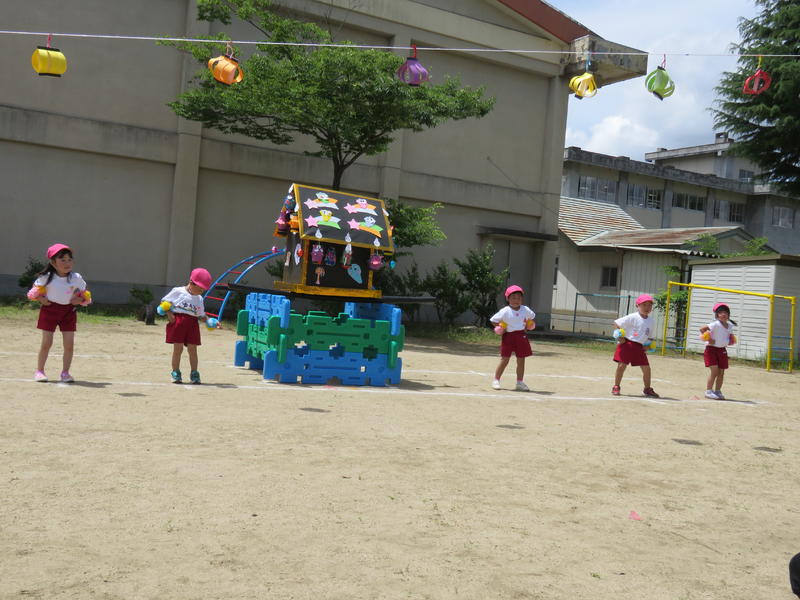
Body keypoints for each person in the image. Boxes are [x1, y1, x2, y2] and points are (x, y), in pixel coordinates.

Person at [29, 243, 91, 383]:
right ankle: (40, 371)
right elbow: (34, 290)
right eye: (62, 260)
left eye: (69, 259)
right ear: (53, 262)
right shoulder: (46, 277)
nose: (67, 263)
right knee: (47, 343)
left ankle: (65, 373)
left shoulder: (76, 277)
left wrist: (80, 299)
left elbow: (85, 292)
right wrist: (40, 299)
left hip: (68, 312)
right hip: (49, 310)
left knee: (69, 345)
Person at [160, 268, 214, 384]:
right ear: (191, 283)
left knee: (193, 349)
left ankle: (194, 373)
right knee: (178, 349)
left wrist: (210, 321)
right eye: (199, 289)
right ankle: (175, 372)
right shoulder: (178, 291)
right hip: (178, 322)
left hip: (193, 324)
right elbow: (164, 303)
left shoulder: (199, 299)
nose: (201, 292)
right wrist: (169, 314)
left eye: (203, 290)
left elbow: (201, 315)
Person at [612, 293, 659, 398]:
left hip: (639, 347)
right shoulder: (633, 316)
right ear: (637, 305)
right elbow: (616, 323)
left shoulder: (651, 321)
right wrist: (619, 336)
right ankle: (616, 386)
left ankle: (647, 389)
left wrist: (648, 346)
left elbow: (650, 337)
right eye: (644, 305)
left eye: (649, 305)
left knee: (646, 368)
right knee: (621, 366)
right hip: (627, 344)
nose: (647, 308)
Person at [489, 285, 536, 391]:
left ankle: (520, 382)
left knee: (521, 360)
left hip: (521, 336)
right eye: (513, 298)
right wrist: (501, 328)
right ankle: (496, 380)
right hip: (508, 337)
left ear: (522, 299)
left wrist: (529, 325)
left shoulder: (525, 309)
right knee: (505, 359)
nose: (516, 300)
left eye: (519, 298)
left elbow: (531, 318)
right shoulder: (505, 310)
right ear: (507, 298)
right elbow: (493, 320)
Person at [699, 302, 737, 400]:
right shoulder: (715, 324)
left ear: (728, 315)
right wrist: (709, 339)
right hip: (711, 350)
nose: (723, 314)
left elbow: (729, 337)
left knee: (721, 372)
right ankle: (708, 391)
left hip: (722, 350)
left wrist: (730, 340)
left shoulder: (729, 326)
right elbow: (702, 329)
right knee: (715, 371)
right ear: (717, 315)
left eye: (726, 312)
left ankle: (718, 391)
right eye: (720, 313)